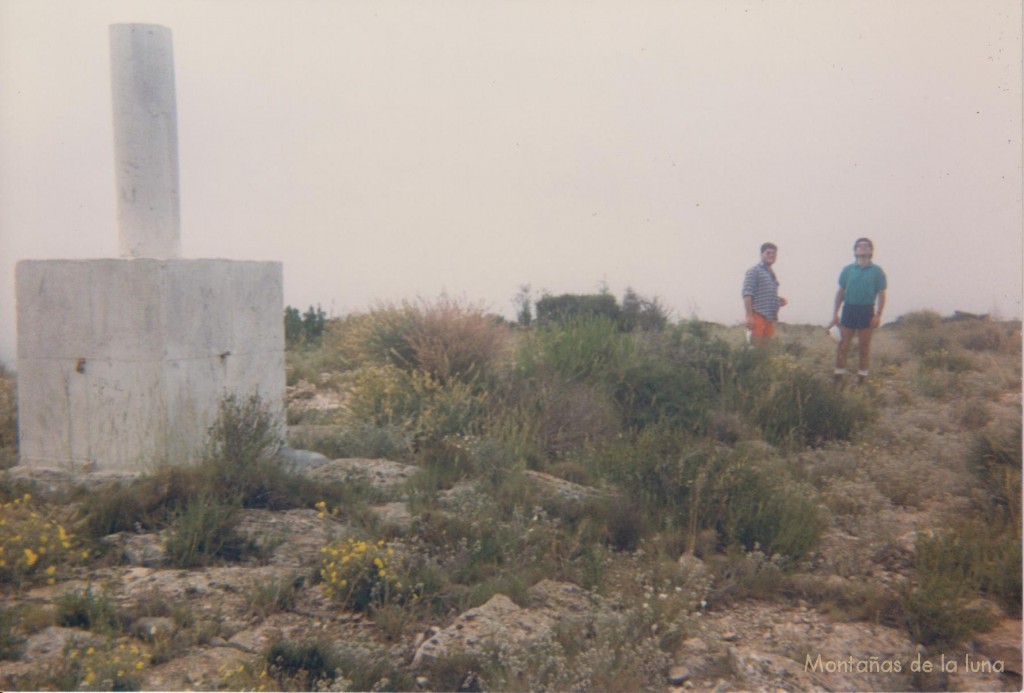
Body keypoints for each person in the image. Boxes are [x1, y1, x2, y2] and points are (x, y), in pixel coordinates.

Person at [829, 237, 887, 384]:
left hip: (867, 311)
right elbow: (840, 292)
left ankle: (862, 378)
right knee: (843, 345)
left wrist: (878, 314)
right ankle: (838, 376)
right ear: (855, 251)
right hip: (849, 309)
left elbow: (881, 293)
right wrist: (835, 313)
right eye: (859, 246)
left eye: (866, 246)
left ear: (871, 250)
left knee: (864, 346)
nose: (863, 248)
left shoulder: (877, 271)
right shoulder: (848, 270)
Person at [742, 242, 787, 344]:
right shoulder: (754, 271)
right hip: (757, 317)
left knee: (765, 351)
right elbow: (747, 294)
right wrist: (749, 316)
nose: (771, 255)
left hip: (769, 318)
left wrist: (778, 300)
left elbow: (763, 294)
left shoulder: (771, 274)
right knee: (754, 350)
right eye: (768, 253)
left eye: (774, 254)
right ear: (761, 254)